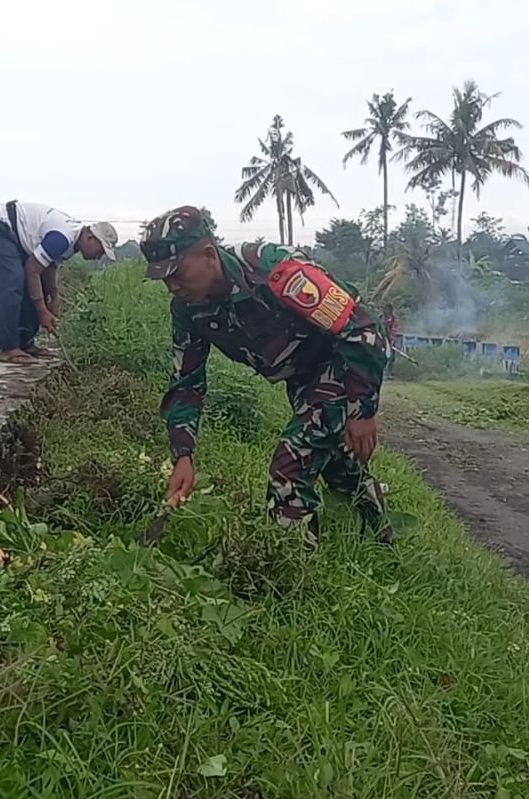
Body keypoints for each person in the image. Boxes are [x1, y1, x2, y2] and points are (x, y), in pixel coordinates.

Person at [142, 205, 395, 548]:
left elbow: (363, 331)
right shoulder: (189, 309)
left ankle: (294, 574)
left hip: (343, 360)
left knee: (289, 468)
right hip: (302, 378)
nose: (172, 287)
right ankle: (384, 536)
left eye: (177, 273)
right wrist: (183, 456)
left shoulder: (276, 272)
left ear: (207, 254)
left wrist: (361, 410)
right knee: (339, 465)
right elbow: (187, 383)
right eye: (163, 279)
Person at [0, 200, 117, 364]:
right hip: (2, 226)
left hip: (21, 239)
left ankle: (25, 343)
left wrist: (54, 295)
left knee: (38, 288)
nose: (99, 256)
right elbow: (32, 269)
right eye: (101, 249)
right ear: (91, 238)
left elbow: (48, 266)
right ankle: (8, 348)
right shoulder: (62, 237)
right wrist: (41, 311)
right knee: (13, 283)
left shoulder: (73, 242)